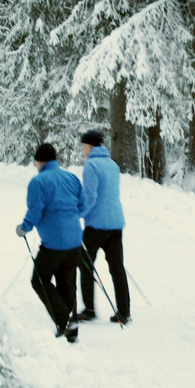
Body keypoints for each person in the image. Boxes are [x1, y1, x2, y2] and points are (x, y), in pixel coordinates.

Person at [16, 143, 84, 343]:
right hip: (75, 239)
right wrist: (70, 217)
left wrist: (24, 228)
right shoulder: (71, 177)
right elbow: (83, 205)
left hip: (54, 242)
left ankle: (66, 320)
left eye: (36, 162)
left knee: (39, 280)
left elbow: (35, 211)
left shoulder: (38, 182)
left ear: (40, 161)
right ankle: (70, 329)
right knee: (67, 282)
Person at [77, 129, 131, 325]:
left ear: (90, 147)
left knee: (84, 263)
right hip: (116, 223)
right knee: (117, 266)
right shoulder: (112, 164)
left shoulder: (91, 165)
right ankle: (124, 311)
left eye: (83, 146)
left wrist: (78, 213)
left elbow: (90, 196)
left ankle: (89, 309)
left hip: (97, 224)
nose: (82, 150)